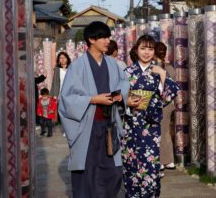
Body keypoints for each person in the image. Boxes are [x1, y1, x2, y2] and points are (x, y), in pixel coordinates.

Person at [58, 21, 130, 198]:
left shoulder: (112, 64)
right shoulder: (78, 66)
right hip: (87, 127)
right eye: (103, 37)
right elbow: (66, 99)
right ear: (91, 39)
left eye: (108, 37)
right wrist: (92, 99)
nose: (107, 41)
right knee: (88, 171)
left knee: (113, 172)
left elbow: (123, 83)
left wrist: (121, 95)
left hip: (109, 125)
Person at [122, 35, 180, 197]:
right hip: (131, 125)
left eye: (150, 49)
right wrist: (126, 102)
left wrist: (162, 74)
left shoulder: (157, 71)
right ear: (136, 50)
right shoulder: (127, 72)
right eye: (143, 48)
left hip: (151, 126)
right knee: (132, 166)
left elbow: (170, 94)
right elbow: (117, 97)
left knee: (151, 169)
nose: (147, 53)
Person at [154, 42, 177, 172]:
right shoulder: (170, 68)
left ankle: (161, 161)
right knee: (166, 132)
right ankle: (170, 161)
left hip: (156, 103)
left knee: (156, 132)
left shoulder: (153, 68)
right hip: (168, 104)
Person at [50, 51, 71, 136]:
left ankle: (69, 129)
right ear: (58, 60)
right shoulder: (57, 70)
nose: (62, 59)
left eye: (64, 57)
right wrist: (54, 94)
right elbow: (55, 82)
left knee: (69, 112)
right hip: (61, 94)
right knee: (62, 112)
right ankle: (65, 129)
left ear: (67, 58)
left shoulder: (71, 68)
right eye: (60, 58)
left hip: (70, 94)